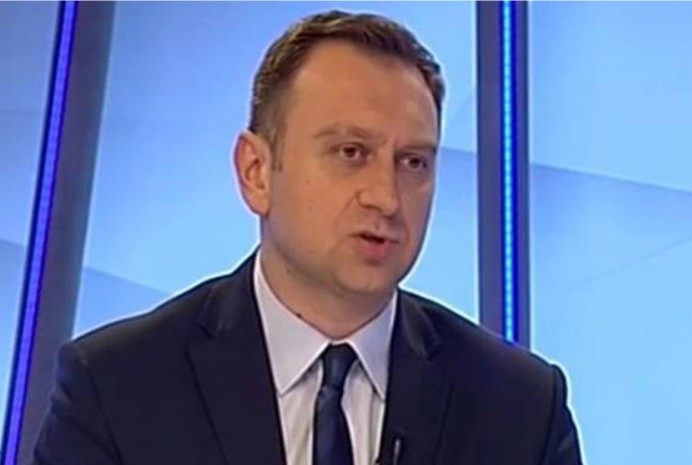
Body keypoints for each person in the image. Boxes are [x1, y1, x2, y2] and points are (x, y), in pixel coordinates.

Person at [31, 10, 582, 465]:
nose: (387, 198)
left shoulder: (521, 410)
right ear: (256, 172)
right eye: (351, 153)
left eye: (413, 162)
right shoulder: (118, 389)